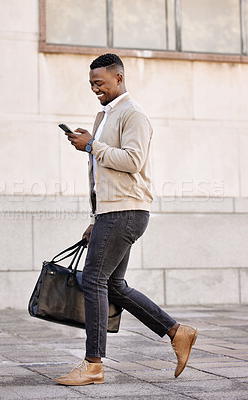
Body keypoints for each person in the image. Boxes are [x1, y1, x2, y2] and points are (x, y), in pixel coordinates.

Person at [55, 54, 198, 386]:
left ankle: (93, 364)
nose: (95, 89)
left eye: (100, 83)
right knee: (114, 285)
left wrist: (92, 146)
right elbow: (102, 173)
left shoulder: (134, 114)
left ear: (119, 79)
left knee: (93, 279)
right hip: (112, 210)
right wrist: (95, 217)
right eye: (91, 84)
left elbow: (133, 161)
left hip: (126, 211)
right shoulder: (104, 116)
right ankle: (177, 332)